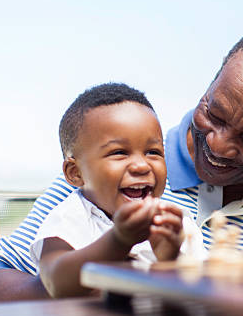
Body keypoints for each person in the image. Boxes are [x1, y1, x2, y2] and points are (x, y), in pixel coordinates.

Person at [0, 25, 243, 304]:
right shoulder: (103, 178)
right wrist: (107, 283)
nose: (220, 145)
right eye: (215, 114)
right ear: (211, 83)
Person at [29, 82, 204, 298]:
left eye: (153, 152)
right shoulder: (71, 218)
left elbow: (200, 294)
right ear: (75, 173)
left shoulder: (176, 222)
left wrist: (170, 260)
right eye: (119, 152)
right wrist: (119, 241)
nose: (141, 165)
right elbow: (55, 282)